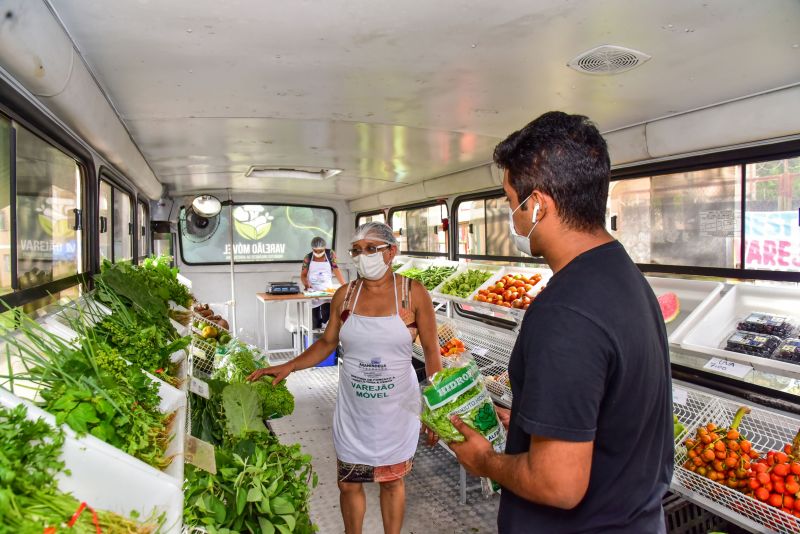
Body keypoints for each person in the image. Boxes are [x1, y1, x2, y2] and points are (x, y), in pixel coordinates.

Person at [449, 111, 673, 533]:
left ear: (536, 206)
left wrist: (485, 461)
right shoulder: (625, 276)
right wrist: (529, 427)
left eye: (510, 200)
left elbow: (559, 485)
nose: (511, 216)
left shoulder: (564, 312)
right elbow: (608, 417)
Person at [249, 222, 442, 534]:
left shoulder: (412, 293)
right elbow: (327, 343)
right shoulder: (345, 296)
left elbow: (432, 351)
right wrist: (290, 366)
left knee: (392, 483)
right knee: (350, 484)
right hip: (355, 413)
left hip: (397, 411)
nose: (362, 256)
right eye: (356, 250)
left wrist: (436, 406)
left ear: (391, 251)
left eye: (370, 249)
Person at [300, 236, 346, 330]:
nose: (318, 253)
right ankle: (316, 340)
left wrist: (345, 286)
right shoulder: (308, 258)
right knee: (315, 321)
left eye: (320, 251)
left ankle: (329, 340)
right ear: (312, 249)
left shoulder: (330, 254)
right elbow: (303, 275)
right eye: (315, 251)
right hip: (313, 290)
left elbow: (336, 270)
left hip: (327, 290)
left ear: (324, 248)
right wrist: (307, 285)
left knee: (328, 318)